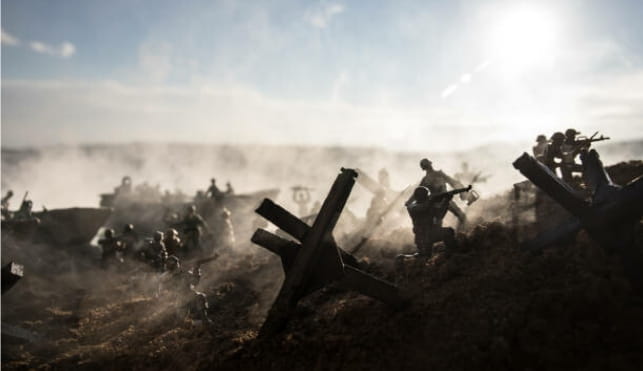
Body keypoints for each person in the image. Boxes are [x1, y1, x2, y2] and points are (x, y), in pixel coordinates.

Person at [405, 186, 458, 257]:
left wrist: (446, 201)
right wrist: (431, 200)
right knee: (424, 257)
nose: (427, 197)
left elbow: (439, 215)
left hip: (431, 233)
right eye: (426, 196)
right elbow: (423, 208)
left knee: (449, 231)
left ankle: (452, 255)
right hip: (422, 237)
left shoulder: (428, 206)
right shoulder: (412, 207)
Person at [418, 158, 467, 228]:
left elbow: (453, 182)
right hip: (437, 205)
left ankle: (460, 234)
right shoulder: (426, 180)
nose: (429, 167)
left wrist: (462, 192)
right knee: (438, 225)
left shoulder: (437, 175)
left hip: (444, 201)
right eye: (427, 165)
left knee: (461, 216)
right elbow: (420, 194)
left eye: (428, 165)